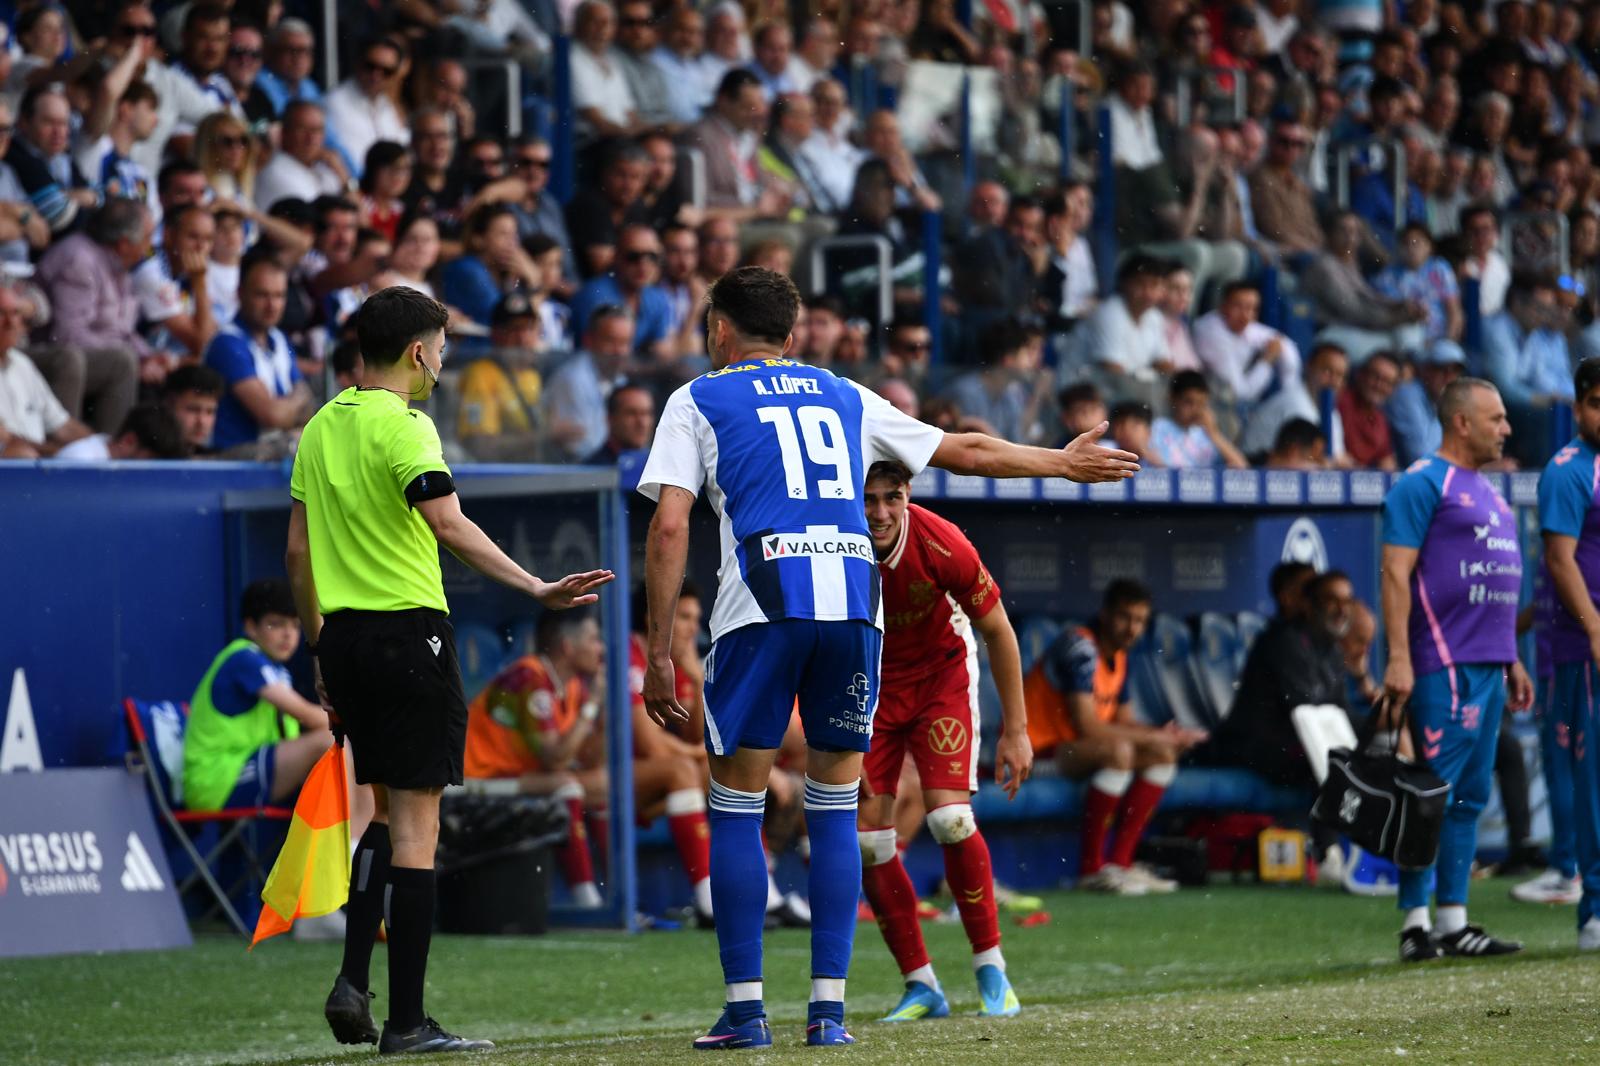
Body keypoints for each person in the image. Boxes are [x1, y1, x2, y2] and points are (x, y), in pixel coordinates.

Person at [635, 266, 1137, 1048]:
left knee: (735, 801)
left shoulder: (697, 397)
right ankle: (829, 1014)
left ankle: (745, 1012)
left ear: (720, 331)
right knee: (838, 807)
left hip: (760, 605)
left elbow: (670, 526)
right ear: (795, 335)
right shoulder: (841, 393)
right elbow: (962, 449)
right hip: (852, 609)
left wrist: (662, 649)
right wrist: (1060, 463)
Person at [286, 286, 613, 1053]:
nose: (443, 358)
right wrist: (534, 585)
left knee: (382, 808)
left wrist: (317, 644)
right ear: (417, 351)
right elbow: (447, 522)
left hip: (345, 640)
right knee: (417, 829)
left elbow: (298, 552)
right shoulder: (408, 427)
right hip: (410, 635)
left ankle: (351, 980)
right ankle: (406, 1022)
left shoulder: (320, 426)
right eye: (441, 345)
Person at [856, 459, 1032, 1020]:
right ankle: (921, 985)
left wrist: (1018, 731)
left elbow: (999, 630)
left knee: (949, 820)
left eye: (893, 497)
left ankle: (991, 968)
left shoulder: (943, 544)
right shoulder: (832, 545)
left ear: (908, 494)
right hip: (872, 688)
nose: (881, 512)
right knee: (869, 842)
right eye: (868, 499)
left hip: (941, 678)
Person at [1380, 376, 1532, 961]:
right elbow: (1396, 572)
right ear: (1461, 422)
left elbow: (1494, 579)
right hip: (1440, 663)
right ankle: (1414, 924)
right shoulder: (1423, 484)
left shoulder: (1489, 490)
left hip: (1489, 666)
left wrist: (1511, 658)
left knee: (1469, 798)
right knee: (1429, 797)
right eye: (1496, 418)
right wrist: (1398, 655)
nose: (1507, 428)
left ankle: (1454, 918)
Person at [464, 609, 714, 918]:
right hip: (477, 781)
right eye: (594, 639)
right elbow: (555, 759)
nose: (602, 648)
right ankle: (587, 901)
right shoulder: (528, 677)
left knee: (600, 782)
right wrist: (592, 706)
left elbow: (589, 758)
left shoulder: (571, 685)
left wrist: (603, 709)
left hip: (523, 777)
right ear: (569, 647)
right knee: (569, 784)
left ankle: (620, 899)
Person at [1023, 581, 1206, 894]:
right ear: (1105, 614)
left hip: (1081, 753)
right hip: (1036, 754)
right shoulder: (1079, 647)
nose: (1132, 628)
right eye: (1125, 617)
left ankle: (1120, 865)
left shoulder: (1120, 655)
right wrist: (1152, 738)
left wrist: (1165, 737)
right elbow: (1088, 727)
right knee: (1119, 751)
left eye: (1140, 620)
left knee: (1163, 755)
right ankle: (1091, 870)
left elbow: (1124, 721)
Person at [1203, 570, 1355, 867]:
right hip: (1254, 747)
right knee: (1326, 758)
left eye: (1347, 601)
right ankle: (1330, 858)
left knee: (1367, 751)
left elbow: (1341, 712)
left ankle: (1385, 853)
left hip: (1288, 747)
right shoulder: (1284, 641)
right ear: (1310, 605)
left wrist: (1382, 729)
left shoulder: (1332, 650)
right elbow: (1306, 713)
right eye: (1332, 601)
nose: (1341, 610)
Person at [1536, 357, 1600, 947]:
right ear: (1578, 407)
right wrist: (1596, 628)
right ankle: (1595, 912)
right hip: (1585, 650)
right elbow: (1561, 559)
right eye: (1598, 403)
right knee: (1593, 780)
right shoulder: (1568, 471)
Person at [181, 579, 334, 814]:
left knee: (350, 749)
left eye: (294, 626)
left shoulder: (278, 671)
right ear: (251, 627)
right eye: (276, 624)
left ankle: (353, 838)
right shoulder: (244, 659)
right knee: (333, 740)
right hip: (212, 783)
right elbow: (309, 717)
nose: (288, 634)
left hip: (243, 769)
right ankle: (351, 841)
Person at [33, 199, 149, 431]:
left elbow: (121, 330)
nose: (150, 247)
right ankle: (93, 457)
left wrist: (149, 356)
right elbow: (68, 336)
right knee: (121, 362)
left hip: (86, 353)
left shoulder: (119, 264)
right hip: (45, 353)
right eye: (148, 238)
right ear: (124, 244)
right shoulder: (79, 260)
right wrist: (135, 358)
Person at [204, 254, 311, 453]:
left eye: (279, 295)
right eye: (262, 295)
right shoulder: (227, 343)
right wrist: (295, 405)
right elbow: (271, 415)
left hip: (270, 454)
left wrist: (287, 409)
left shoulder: (279, 339)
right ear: (240, 293)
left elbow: (308, 405)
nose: (272, 306)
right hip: (232, 458)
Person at [0, 286, 91, 459]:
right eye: (1, 313)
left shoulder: (22, 364)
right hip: (12, 474)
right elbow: (6, 439)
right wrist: (55, 453)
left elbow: (62, 425)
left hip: (37, 465)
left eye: (16, 314)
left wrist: (100, 444)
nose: (10, 323)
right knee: (22, 455)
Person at [544, 305, 634, 461]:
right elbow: (584, 448)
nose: (619, 351)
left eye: (625, 343)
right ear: (588, 340)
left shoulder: (619, 378)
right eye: (611, 341)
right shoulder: (572, 379)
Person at [1193, 282, 1301, 411]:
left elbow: (1285, 346)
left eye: (1252, 308)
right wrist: (1267, 361)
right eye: (1238, 306)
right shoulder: (1210, 332)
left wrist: (1288, 390)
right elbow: (1240, 394)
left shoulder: (1244, 326)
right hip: (1212, 404)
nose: (1245, 315)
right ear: (1223, 306)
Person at [1241, 342, 1349, 462]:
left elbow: (1337, 456)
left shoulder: (1331, 412)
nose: (1333, 381)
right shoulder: (1295, 401)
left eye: (1339, 375)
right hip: (1253, 469)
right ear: (1309, 367)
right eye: (1327, 371)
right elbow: (1316, 459)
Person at [326, 39, 410, 178]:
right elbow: (353, 162)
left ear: (396, 75)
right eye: (370, 66)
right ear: (358, 62)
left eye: (386, 71)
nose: (376, 75)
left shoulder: (387, 106)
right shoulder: (336, 103)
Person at [255, 101, 346, 211]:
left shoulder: (323, 166)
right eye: (303, 130)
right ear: (285, 133)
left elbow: (361, 215)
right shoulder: (277, 170)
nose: (311, 139)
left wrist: (340, 171)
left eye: (317, 130)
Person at [1388, 339, 1466, 466]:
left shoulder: (1445, 401)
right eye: (1442, 369)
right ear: (1425, 370)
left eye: (1455, 371)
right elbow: (1421, 458)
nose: (1449, 377)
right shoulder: (1407, 395)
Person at [1150, 371, 1248, 469]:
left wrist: (1214, 433)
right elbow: (1156, 469)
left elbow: (1241, 467)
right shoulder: (1158, 429)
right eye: (1189, 402)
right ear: (1173, 399)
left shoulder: (1208, 435)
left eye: (1201, 403)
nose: (1196, 410)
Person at [1338, 351, 1402, 470]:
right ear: (1360, 375)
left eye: (1387, 382)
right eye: (1375, 376)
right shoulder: (1341, 402)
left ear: (1393, 389)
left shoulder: (1380, 420)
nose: (1378, 385)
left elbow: (1387, 462)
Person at [584, 382, 655, 463]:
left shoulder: (661, 466)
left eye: (647, 413)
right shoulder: (592, 470)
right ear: (611, 419)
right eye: (631, 413)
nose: (642, 423)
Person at [162, 362, 222, 454]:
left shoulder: (215, 460)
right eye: (193, 410)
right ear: (169, 405)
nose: (202, 422)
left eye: (210, 412)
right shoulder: (146, 459)